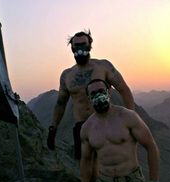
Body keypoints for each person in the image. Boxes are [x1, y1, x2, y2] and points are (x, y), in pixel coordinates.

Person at [80, 79, 161, 182]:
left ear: (109, 91)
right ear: (89, 98)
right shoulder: (87, 128)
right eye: (94, 93)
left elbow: (151, 146)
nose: (99, 96)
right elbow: (86, 161)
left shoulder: (128, 117)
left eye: (102, 91)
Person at [47, 30, 135, 161]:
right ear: (72, 48)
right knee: (85, 167)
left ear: (90, 45)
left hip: (106, 122)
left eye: (83, 44)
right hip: (82, 128)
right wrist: (53, 128)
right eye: (76, 45)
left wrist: (131, 119)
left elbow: (124, 90)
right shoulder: (67, 75)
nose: (80, 48)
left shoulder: (103, 66)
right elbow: (61, 104)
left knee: (111, 163)